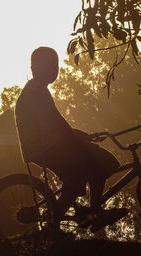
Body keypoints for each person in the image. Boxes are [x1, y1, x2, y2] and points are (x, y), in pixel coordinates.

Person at [15, 46, 128, 232]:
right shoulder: (37, 92)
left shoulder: (36, 90)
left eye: (55, 66)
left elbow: (54, 122)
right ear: (36, 69)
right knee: (91, 167)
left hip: (45, 145)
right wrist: (76, 138)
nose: (54, 70)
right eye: (51, 66)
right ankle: (87, 215)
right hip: (44, 146)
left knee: (86, 168)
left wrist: (76, 136)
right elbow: (56, 121)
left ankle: (92, 212)